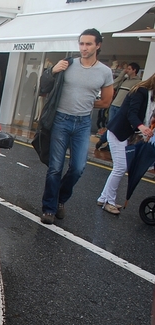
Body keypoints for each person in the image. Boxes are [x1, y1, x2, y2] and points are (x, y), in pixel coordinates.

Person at [40, 28, 114, 224]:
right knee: (55, 168)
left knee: (78, 168)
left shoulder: (105, 72)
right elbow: (43, 87)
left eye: (88, 44)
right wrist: (53, 70)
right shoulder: (68, 64)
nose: (84, 48)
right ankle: (49, 208)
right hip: (60, 121)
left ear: (98, 45)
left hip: (82, 123)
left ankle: (60, 199)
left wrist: (87, 104)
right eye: (81, 43)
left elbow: (106, 101)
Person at [96, 74, 155, 214]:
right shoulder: (140, 92)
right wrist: (142, 127)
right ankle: (108, 202)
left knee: (120, 167)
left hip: (128, 135)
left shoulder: (151, 96)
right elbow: (131, 113)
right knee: (120, 167)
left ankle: (103, 198)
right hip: (119, 132)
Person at [95, 62, 141, 149]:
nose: (126, 70)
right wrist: (122, 74)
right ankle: (106, 142)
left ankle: (104, 141)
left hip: (122, 108)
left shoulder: (138, 83)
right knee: (110, 125)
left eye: (129, 69)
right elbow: (114, 85)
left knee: (114, 127)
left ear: (134, 70)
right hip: (114, 105)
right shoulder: (124, 80)